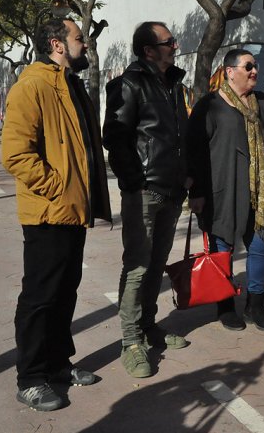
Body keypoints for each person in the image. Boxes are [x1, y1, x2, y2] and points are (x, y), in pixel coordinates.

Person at [2, 18, 111, 411]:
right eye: (80, 38)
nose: (86, 44)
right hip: (48, 212)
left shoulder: (69, 84)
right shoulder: (32, 85)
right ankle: (31, 378)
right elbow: (16, 154)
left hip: (71, 210)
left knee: (65, 292)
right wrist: (57, 189)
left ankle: (59, 367)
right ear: (57, 44)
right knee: (40, 297)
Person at [102, 21, 192, 379]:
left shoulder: (172, 84)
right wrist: (136, 184)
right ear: (148, 51)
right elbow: (116, 140)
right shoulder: (128, 84)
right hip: (145, 191)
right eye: (169, 42)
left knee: (157, 264)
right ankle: (130, 341)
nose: (176, 45)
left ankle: (149, 326)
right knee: (138, 267)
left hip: (172, 190)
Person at [187, 48, 264, 332]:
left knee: (261, 247)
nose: (255, 71)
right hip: (222, 190)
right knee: (222, 249)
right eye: (248, 66)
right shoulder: (210, 104)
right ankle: (226, 306)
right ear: (230, 71)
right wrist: (197, 192)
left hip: (260, 191)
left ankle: (255, 305)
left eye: (256, 66)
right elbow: (195, 151)